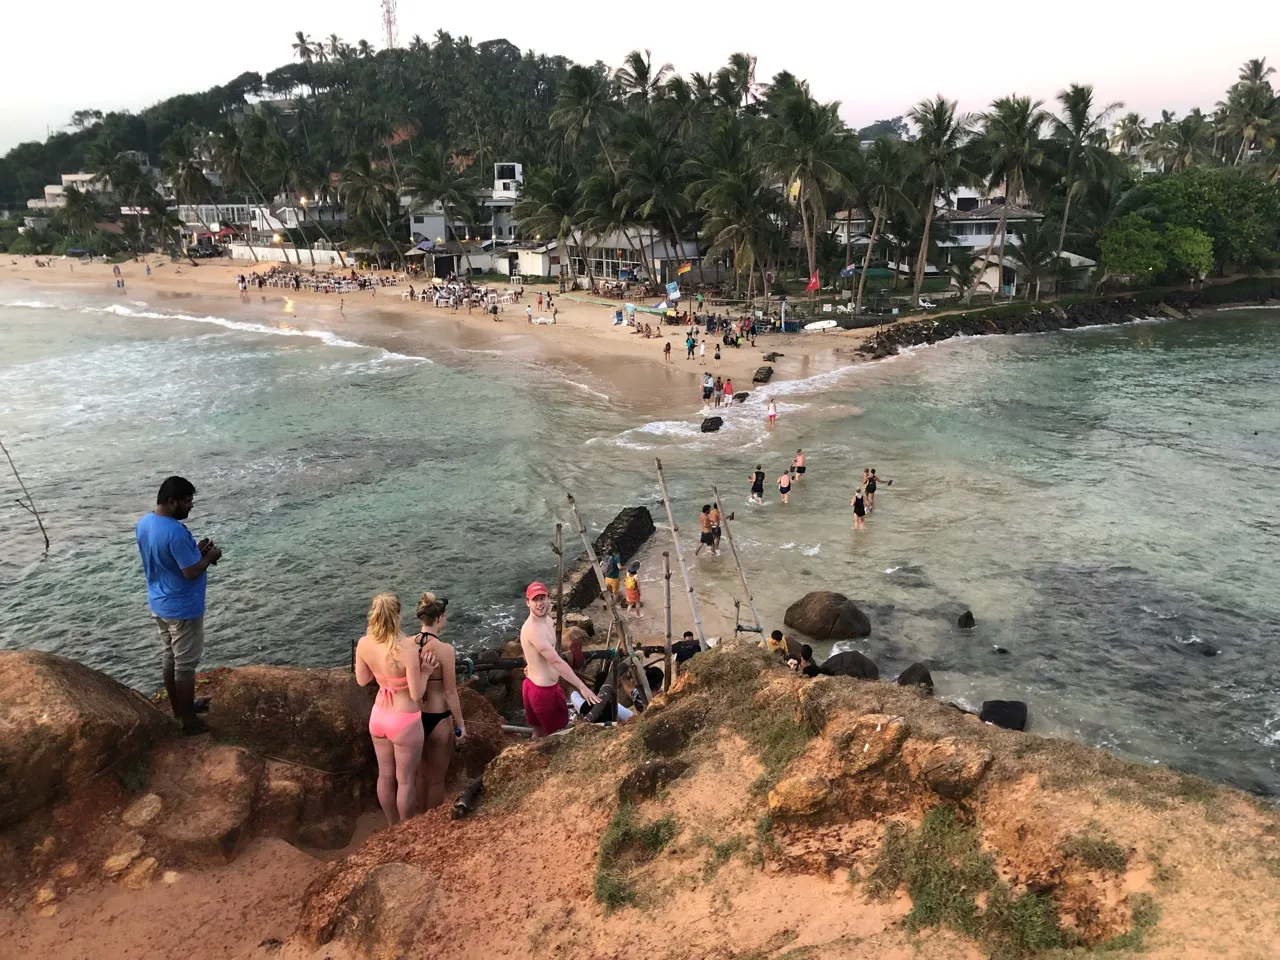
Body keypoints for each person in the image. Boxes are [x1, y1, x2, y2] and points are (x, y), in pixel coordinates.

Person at [136, 476, 222, 736]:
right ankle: (189, 721)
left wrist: (195, 551)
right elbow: (190, 572)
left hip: (159, 602)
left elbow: (167, 560)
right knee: (185, 665)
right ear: (172, 501)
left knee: (170, 657)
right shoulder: (174, 532)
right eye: (187, 501)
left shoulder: (145, 523)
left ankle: (179, 710)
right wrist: (209, 556)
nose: (191, 506)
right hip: (183, 608)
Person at [354, 594, 431, 826]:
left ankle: (391, 825)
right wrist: (425, 672)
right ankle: (405, 829)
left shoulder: (364, 643)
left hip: (379, 715)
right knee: (405, 781)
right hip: (404, 718)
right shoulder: (408, 648)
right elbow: (417, 694)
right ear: (398, 616)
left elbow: (362, 680)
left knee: (385, 776)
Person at [520, 582, 600, 736]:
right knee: (556, 734)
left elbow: (531, 651)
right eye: (535, 600)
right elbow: (556, 661)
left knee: (538, 730)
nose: (539, 603)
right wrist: (582, 687)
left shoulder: (548, 621)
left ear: (548, 599)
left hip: (533, 684)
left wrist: (531, 665)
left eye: (542, 598)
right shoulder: (533, 629)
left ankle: (534, 754)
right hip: (543, 692)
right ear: (528, 603)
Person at [414, 592, 467, 811]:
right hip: (438, 718)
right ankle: (430, 822)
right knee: (436, 779)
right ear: (439, 618)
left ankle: (416, 820)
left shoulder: (408, 645)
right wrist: (460, 725)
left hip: (414, 718)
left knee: (420, 775)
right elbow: (450, 692)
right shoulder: (445, 650)